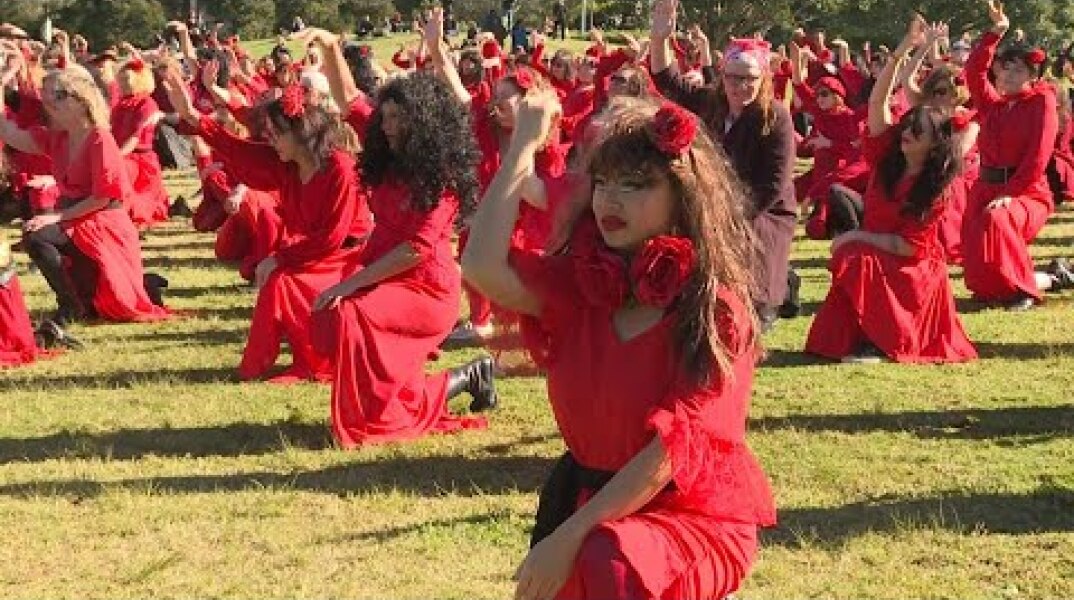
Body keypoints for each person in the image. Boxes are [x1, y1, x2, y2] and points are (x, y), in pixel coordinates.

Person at [464, 92, 775, 599]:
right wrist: (522, 144)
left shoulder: (714, 309)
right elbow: (481, 266)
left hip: (688, 515)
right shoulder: (580, 287)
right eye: (603, 183)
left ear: (683, 194)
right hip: (593, 505)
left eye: (636, 185)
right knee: (605, 552)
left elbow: (669, 456)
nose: (610, 200)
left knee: (611, 557)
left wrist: (568, 535)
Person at [307, 72, 496, 448]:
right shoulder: (386, 155)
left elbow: (416, 249)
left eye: (398, 118)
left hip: (426, 288)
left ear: (423, 123)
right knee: (338, 316)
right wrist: (329, 47)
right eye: (386, 117)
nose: (388, 126)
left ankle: (373, 417)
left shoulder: (442, 178)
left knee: (352, 311)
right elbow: (350, 100)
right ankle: (469, 376)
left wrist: (351, 283)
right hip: (386, 277)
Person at [163, 66, 372, 383]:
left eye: (277, 134)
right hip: (318, 253)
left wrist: (279, 258)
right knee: (276, 277)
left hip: (349, 257)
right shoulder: (284, 163)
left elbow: (333, 237)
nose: (271, 141)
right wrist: (192, 115)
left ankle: (304, 359)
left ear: (301, 131)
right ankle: (258, 365)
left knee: (281, 279)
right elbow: (236, 148)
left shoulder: (339, 168)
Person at [805, 21, 977, 364]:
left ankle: (881, 342)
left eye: (917, 131)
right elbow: (877, 104)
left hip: (913, 267)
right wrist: (900, 53)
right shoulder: (889, 159)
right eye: (907, 127)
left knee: (854, 257)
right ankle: (863, 334)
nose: (906, 133)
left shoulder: (934, 186)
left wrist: (856, 237)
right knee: (852, 256)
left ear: (934, 146)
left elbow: (908, 245)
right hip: (884, 254)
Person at [649, 0, 798, 331]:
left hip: (762, 209)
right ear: (722, 75)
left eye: (749, 79)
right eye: (733, 77)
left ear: (762, 80)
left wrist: (725, 216)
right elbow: (666, 78)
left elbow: (771, 185)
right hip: (716, 200)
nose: (740, 86)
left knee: (748, 239)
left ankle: (771, 293)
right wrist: (659, 39)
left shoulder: (776, 118)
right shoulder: (710, 102)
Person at [0, 66, 171, 325]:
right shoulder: (58, 137)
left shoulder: (100, 139)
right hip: (76, 218)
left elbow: (102, 198)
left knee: (38, 236)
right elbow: (12, 135)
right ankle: (86, 298)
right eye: (45, 97)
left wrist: (57, 216)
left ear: (81, 100)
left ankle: (72, 306)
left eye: (55, 96)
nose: (47, 104)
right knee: (37, 235)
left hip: (102, 221)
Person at [961, 1, 1070, 310]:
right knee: (975, 237)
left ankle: (1024, 291)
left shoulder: (1041, 103)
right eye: (1006, 66)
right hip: (986, 188)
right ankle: (1044, 278)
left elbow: (1038, 156)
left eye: (1018, 69)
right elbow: (973, 71)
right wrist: (996, 33)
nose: (1008, 73)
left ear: (1033, 76)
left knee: (998, 217)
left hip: (1027, 192)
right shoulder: (992, 105)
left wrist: (1011, 193)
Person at [111, 57, 169, 229]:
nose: (122, 83)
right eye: (120, 79)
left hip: (140, 159)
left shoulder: (147, 103)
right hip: (124, 154)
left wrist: (116, 157)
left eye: (126, 79)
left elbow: (135, 137)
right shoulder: (120, 104)